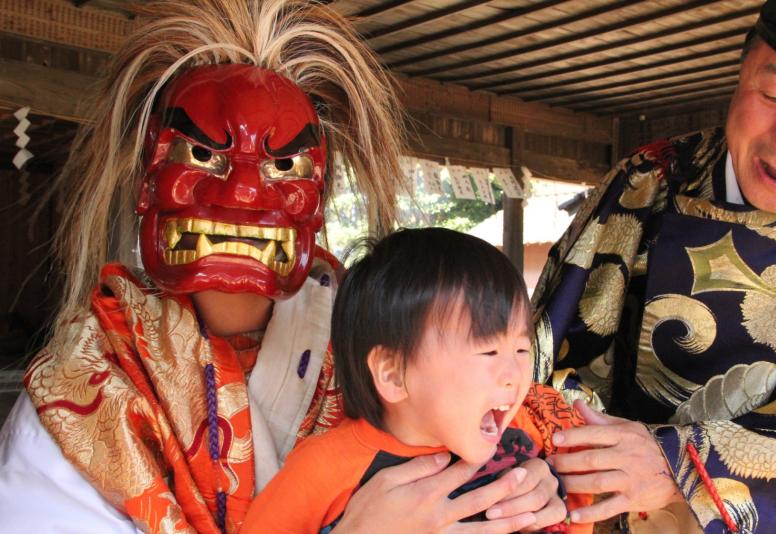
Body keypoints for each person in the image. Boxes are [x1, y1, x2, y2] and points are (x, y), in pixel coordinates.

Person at [0, 1, 566, 533]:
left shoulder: (394, 334)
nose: (245, 193)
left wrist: (548, 478)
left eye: (285, 165)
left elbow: (509, 414)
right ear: (147, 182)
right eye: (202, 156)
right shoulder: (81, 399)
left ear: (318, 202)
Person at [531, 0, 776, 532]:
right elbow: (543, 357)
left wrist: (683, 466)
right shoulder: (648, 182)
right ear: (739, 74)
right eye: (773, 96)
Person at [242, 228, 590, 533]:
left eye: (521, 350)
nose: (515, 375)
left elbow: (579, 511)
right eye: (488, 352)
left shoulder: (526, 434)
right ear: (394, 374)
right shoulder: (321, 469)